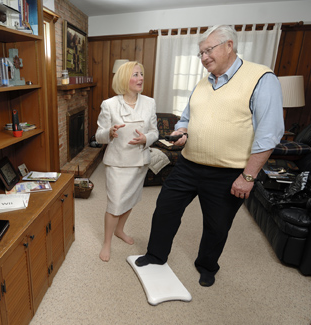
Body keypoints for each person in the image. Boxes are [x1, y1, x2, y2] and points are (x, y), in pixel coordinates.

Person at [135, 25, 284, 287]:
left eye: (208, 50)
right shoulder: (202, 83)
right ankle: (156, 255)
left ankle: (206, 265)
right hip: (188, 164)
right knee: (165, 210)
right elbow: (186, 119)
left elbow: (269, 133)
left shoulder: (261, 77)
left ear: (229, 45)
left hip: (228, 173)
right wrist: (182, 132)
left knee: (217, 226)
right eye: (200, 53)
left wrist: (248, 177)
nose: (203, 57)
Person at [96, 61, 159, 262]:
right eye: (135, 75)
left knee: (130, 199)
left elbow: (155, 132)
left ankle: (120, 230)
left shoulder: (150, 102)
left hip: (139, 161)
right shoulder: (109, 104)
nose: (141, 78)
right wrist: (110, 132)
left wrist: (146, 139)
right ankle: (107, 243)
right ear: (124, 79)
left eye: (141, 74)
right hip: (117, 162)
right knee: (115, 203)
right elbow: (98, 135)